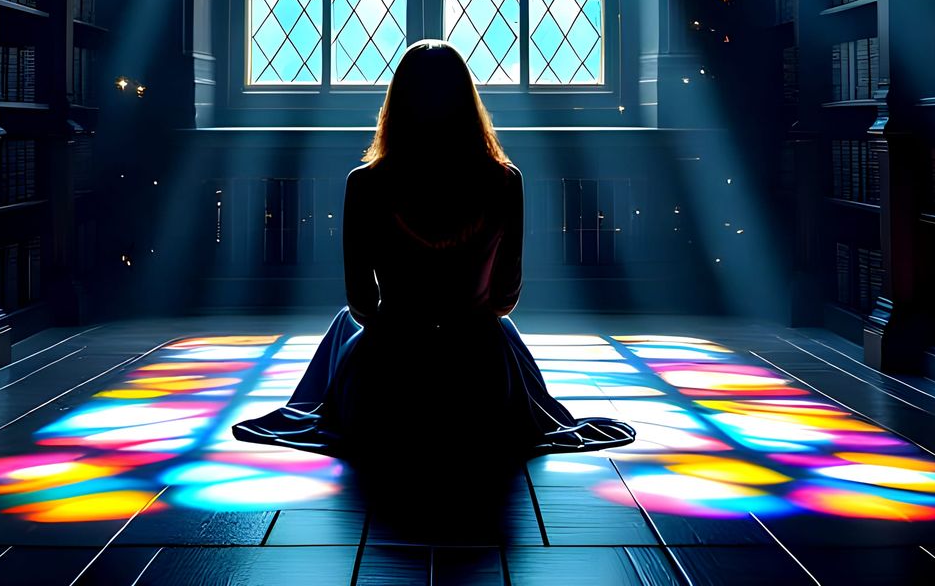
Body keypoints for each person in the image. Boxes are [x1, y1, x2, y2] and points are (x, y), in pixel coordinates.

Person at [232, 41, 634, 463]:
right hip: (480, 382)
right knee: (502, 336)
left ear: (397, 103)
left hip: (390, 383)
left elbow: (362, 303)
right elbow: (503, 300)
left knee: (343, 329)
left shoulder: (365, 184)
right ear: (468, 102)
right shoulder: (504, 182)